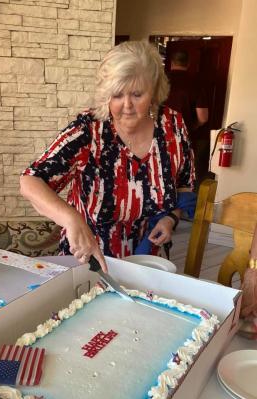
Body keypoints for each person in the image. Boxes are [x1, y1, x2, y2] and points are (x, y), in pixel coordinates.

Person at [20, 41, 194, 272]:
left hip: (147, 259)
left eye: (137, 94)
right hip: (91, 259)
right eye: (117, 95)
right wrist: (72, 220)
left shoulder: (173, 126)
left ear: (154, 91)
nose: (127, 105)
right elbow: (30, 180)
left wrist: (170, 218)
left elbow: (184, 184)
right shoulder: (88, 130)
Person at [165, 50, 210, 189]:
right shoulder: (195, 83)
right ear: (188, 63)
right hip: (184, 135)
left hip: (158, 133)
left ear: (171, 63)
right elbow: (203, 118)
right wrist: (193, 126)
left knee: (159, 167)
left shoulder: (159, 81)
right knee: (182, 172)